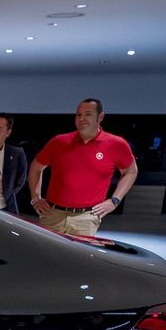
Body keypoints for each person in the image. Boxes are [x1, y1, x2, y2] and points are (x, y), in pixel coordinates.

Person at [29, 98, 138, 235]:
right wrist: (35, 198)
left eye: (88, 114)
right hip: (52, 214)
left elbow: (131, 172)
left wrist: (114, 200)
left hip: (86, 217)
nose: (82, 118)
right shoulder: (59, 142)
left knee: (78, 256)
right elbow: (36, 167)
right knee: (45, 255)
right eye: (79, 114)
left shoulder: (116, 144)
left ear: (101, 117)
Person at [0, 114, 29, 214]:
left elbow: (20, 181)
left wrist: (8, 192)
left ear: (8, 132)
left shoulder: (17, 154)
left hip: (6, 209)